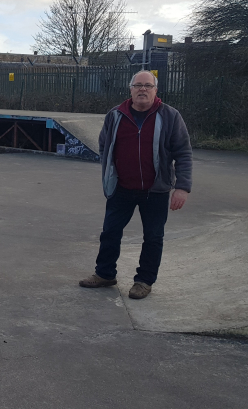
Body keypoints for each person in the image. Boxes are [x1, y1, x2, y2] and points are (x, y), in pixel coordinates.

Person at [79, 70, 192, 299]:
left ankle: (144, 281)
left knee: (153, 237)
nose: (143, 89)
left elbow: (183, 153)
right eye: (138, 85)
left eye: (148, 86)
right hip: (121, 188)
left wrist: (182, 186)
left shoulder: (170, 116)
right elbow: (104, 145)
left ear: (155, 90)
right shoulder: (115, 115)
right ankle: (105, 274)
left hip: (156, 190)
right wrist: (111, 171)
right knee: (110, 232)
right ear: (130, 89)